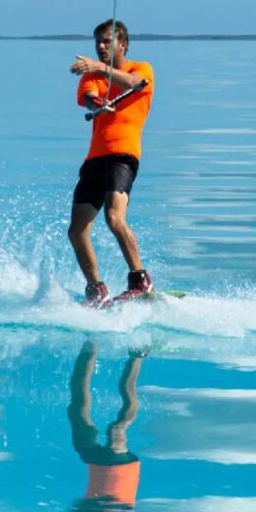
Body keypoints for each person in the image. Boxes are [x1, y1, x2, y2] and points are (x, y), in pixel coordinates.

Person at [67, 19, 154, 308]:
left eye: (107, 41)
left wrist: (100, 67)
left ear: (123, 44)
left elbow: (131, 84)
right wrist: (96, 104)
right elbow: (89, 98)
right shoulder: (91, 77)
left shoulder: (141, 69)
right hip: (94, 160)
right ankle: (96, 289)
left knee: (114, 218)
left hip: (123, 156)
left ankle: (140, 279)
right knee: (77, 230)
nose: (101, 46)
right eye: (98, 42)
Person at [66, 339, 143, 512]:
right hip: (120, 469)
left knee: (77, 408)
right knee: (118, 427)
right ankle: (137, 355)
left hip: (94, 461)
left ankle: (90, 346)